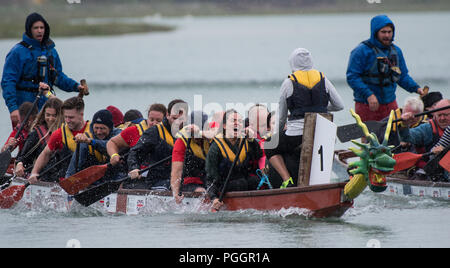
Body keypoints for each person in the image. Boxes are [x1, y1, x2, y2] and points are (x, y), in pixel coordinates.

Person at [265, 47, 344, 188]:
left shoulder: (289, 82)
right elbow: (339, 105)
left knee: (269, 146)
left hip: (296, 135)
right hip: (320, 133)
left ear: (292, 63)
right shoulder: (323, 79)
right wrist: (320, 110)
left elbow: (282, 116)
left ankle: (286, 179)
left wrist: (276, 134)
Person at [1, 13, 88, 129]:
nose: (39, 31)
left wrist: (76, 86)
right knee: (26, 142)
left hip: (48, 109)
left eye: (42, 28)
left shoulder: (51, 51)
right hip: (25, 108)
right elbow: (8, 82)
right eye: (36, 28)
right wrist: (13, 108)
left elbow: (58, 77)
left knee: (49, 142)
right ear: (29, 30)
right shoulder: (17, 52)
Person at [346, 14, 424, 122]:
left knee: (393, 133)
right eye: (383, 32)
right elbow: (352, 77)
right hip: (367, 104)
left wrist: (416, 88)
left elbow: (402, 76)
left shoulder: (396, 51)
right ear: (375, 32)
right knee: (370, 137)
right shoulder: (361, 51)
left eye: (389, 32)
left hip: (390, 103)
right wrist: (369, 95)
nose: (387, 35)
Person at [206, 109, 262, 211]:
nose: (237, 123)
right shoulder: (215, 147)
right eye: (233, 121)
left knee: (257, 181)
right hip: (223, 183)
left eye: (240, 121)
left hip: (244, 180)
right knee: (240, 183)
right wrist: (214, 198)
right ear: (224, 126)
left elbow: (258, 156)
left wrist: (252, 140)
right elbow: (211, 177)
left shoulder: (245, 140)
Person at [126, 99, 188, 190]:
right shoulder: (154, 132)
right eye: (174, 118)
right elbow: (134, 152)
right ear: (167, 115)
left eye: (181, 119)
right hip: (158, 180)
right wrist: (134, 168)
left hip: (183, 179)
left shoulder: (190, 132)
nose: (177, 123)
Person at [28, 96, 91, 183]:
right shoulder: (59, 133)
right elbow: (45, 154)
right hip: (67, 181)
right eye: (65, 117)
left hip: (90, 179)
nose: (67, 120)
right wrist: (34, 173)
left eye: (71, 117)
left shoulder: (94, 131)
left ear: (81, 115)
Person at [399, 99, 450, 180]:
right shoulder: (427, 128)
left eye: (446, 115)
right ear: (434, 115)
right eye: (439, 115)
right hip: (430, 171)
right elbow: (407, 138)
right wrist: (404, 125)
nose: (442, 118)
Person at [65, 109, 121, 180]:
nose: (99, 132)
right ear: (92, 127)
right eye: (96, 128)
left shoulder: (119, 134)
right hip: (95, 176)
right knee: (82, 144)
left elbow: (109, 145)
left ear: (110, 128)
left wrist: (91, 141)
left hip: (116, 174)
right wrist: (69, 178)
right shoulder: (87, 137)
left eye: (102, 128)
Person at [14, 97, 63, 177]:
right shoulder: (36, 134)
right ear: (43, 114)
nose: (50, 119)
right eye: (48, 115)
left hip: (63, 176)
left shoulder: (67, 132)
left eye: (54, 115)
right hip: (43, 177)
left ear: (61, 115)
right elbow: (22, 157)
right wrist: (19, 164)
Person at [171, 111, 211, 204]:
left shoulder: (212, 133)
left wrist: (199, 132)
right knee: (201, 192)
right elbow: (176, 171)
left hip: (209, 177)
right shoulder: (181, 141)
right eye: (193, 135)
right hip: (190, 180)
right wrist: (176, 194)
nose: (197, 138)